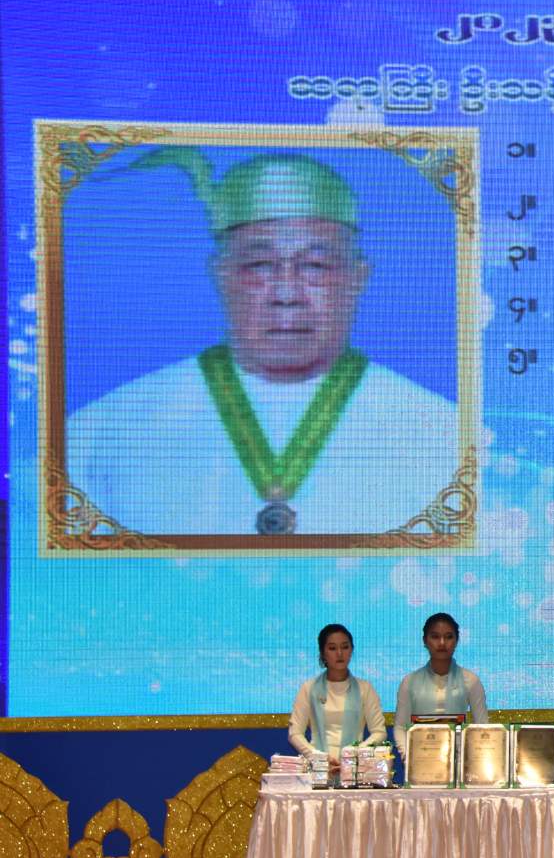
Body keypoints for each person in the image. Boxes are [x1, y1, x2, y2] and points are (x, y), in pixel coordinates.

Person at [66, 150, 458, 535]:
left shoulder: (439, 435)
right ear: (221, 275)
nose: (286, 293)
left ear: (358, 278)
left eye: (315, 266)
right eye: (259, 266)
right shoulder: (105, 433)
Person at [287, 623, 387, 774]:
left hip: (355, 770)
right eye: (332, 648)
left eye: (345, 647)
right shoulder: (309, 688)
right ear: (322, 653)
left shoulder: (365, 689)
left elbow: (379, 732)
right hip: (317, 769)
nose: (339, 653)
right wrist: (317, 757)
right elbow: (295, 733)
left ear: (351, 650)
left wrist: (353, 755)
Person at [394, 612, 489, 755]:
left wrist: (469, 758)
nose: (442, 643)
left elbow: (482, 726)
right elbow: (400, 727)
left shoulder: (471, 680)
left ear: (457, 640)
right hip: (420, 760)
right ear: (425, 641)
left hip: (458, 761)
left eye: (449, 637)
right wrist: (407, 757)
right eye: (435, 636)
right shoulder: (409, 682)